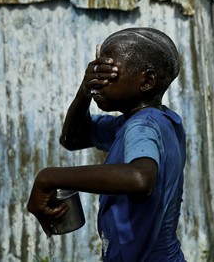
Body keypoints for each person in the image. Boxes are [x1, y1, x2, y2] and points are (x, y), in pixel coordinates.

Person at [27, 27, 186, 261]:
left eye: (108, 73)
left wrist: (48, 177)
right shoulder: (150, 122)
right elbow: (71, 139)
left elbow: (140, 178)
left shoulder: (142, 126)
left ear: (147, 81)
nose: (97, 82)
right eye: (96, 72)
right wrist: (84, 91)